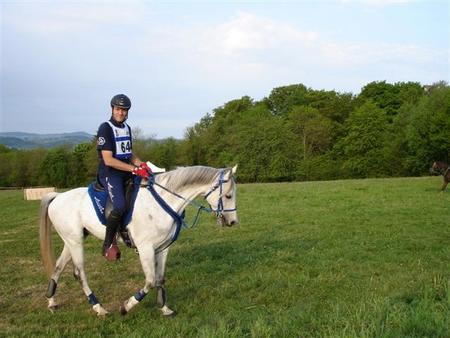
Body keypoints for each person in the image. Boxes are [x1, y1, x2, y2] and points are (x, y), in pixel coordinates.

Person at [96, 94, 151, 261]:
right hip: (110, 174)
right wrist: (134, 170)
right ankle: (108, 244)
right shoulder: (105, 128)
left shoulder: (126, 128)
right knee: (119, 206)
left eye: (124, 110)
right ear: (112, 109)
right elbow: (108, 159)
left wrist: (142, 165)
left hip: (126, 171)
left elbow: (129, 153)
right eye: (118, 109)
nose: (121, 112)